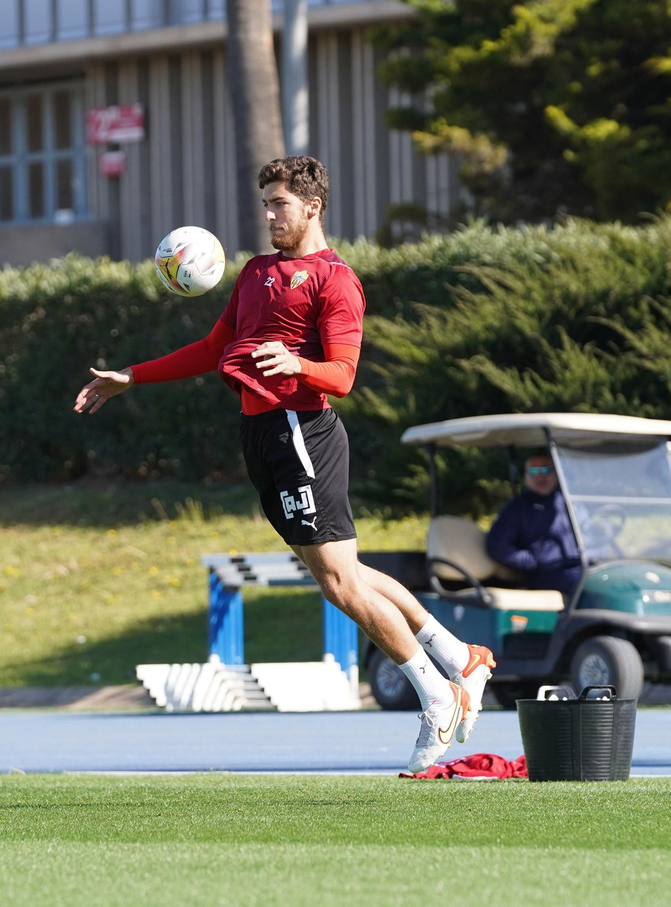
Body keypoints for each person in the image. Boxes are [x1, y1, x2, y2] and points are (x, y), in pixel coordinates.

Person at [74, 156, 494, 772]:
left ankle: (438, 695)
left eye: (280, 206)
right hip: (260, 433)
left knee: (339, 584)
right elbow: (216, 349)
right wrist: (132, 377)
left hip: (302, 430)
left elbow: (343, 377)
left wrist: (298, 364)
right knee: (345, 572)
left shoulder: (335, 280)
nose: (270, 216)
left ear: (313, 207)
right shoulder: (253, 273)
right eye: (265, 205)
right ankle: (459, 656)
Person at [485, 451, 582, 595]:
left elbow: (588, 533)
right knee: (589, 588)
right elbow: (497, 545)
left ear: (556, 473)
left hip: (582, 566)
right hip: (548, 574)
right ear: (526, 476)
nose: (540, 476)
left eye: (546, 469)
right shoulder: (517, 508)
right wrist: (532, 561)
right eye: (534, 471)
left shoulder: (569, 502)